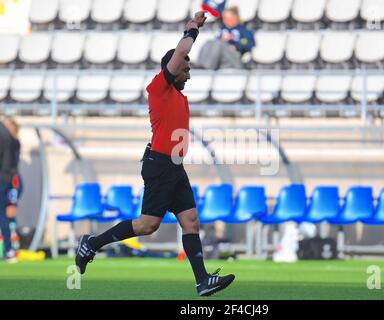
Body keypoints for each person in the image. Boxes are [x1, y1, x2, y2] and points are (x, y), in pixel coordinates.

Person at [75, 11, 235, 297]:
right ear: (172, 69)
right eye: (185, 70)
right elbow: (182, 50)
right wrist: (192, 27)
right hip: (160, 164)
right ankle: (92, 243)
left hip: (174, 166)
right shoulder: (159, 87)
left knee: (190, 221)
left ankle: (202, 281)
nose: (189, 73)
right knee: (148, 225)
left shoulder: (178, 97)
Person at [197, 6, 255, 70]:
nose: (225, 20)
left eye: (228, 18)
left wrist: (236, 46)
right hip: (223, 59)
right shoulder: (223, 30)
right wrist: (223, 40)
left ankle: (207, 69)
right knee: (208, 42)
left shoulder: (243, 30)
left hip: (235, 58)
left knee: (219, 43)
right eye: (224, 18)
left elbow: (250, 43)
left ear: (235, 18)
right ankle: (200, 65)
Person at [3, 117, 22, 252]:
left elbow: (12, 168)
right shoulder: (9, 142)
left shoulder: (13, 142)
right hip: (10, 181)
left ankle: (11, 248)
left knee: (8, 214)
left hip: (12, 182)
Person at [0, 118, 14, 262]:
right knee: (3, 216)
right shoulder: (6, 134)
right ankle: (8, 248)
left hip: (2, 178)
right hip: (5, 179)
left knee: (2, 216)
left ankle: (9, 248)